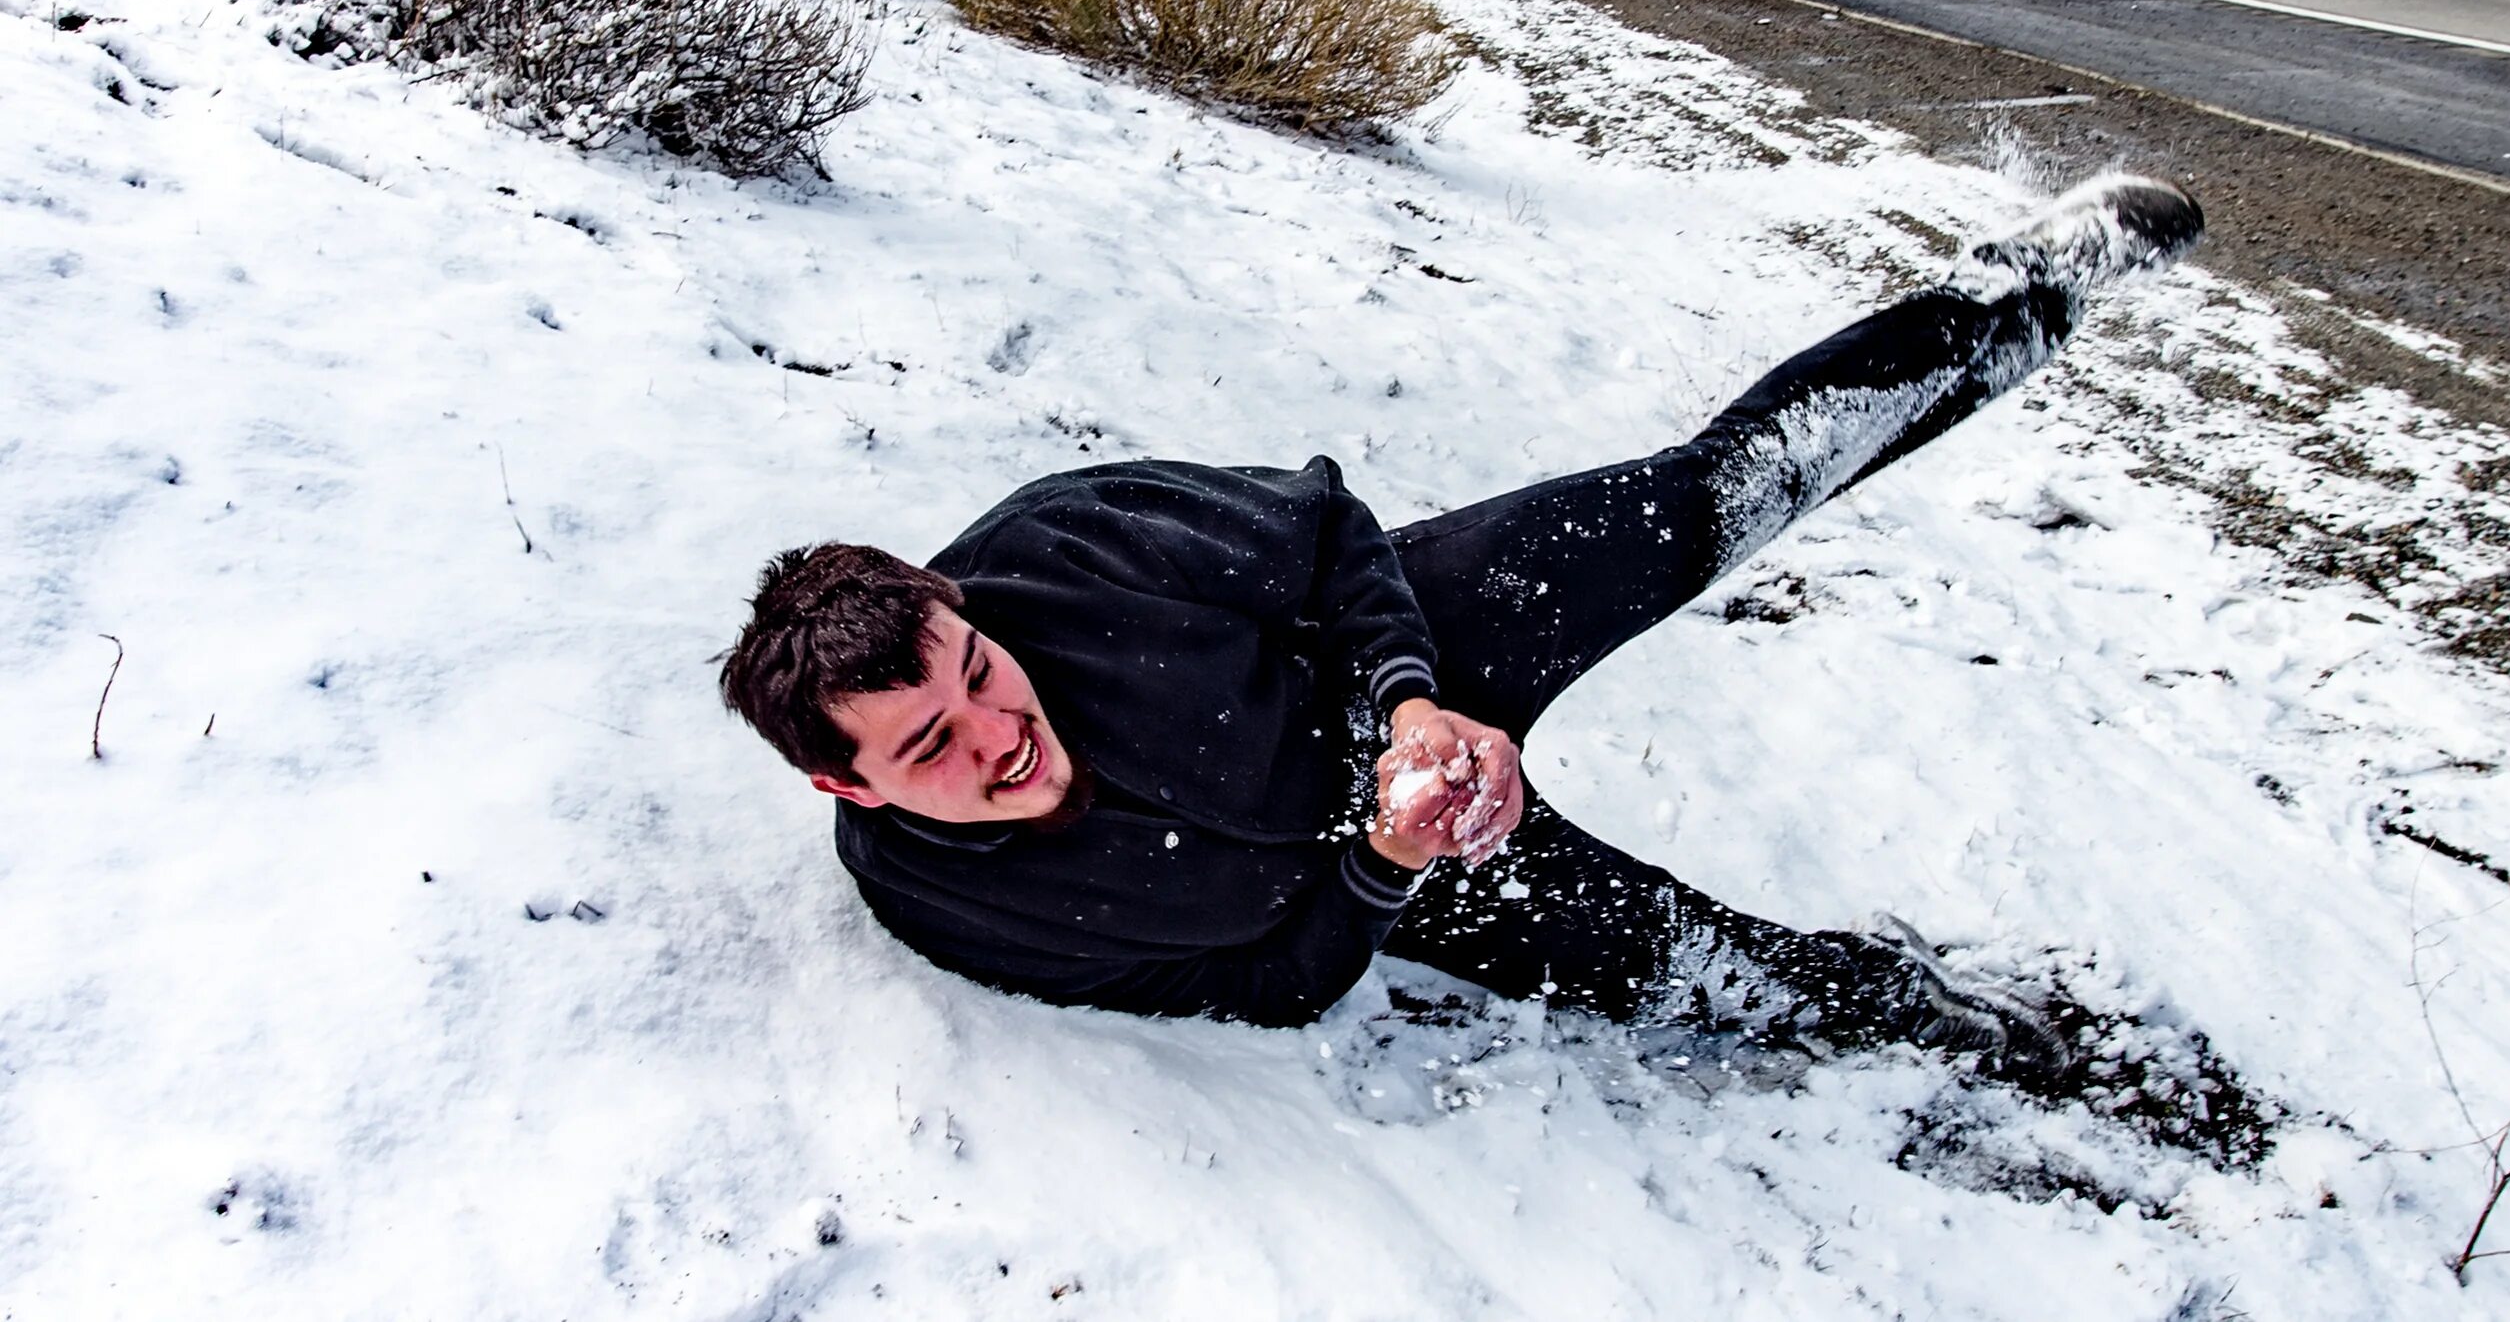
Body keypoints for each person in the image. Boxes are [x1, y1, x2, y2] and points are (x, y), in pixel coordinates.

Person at [720, 174, 2203, 1057]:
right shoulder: (944, 902)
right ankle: (1995, 1029)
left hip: (1404, 642)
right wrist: (1384, 859)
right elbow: (1259, 989)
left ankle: (2024, 298)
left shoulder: (1058, 541)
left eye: (980, 670)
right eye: (929, 743)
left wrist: (1409, 708)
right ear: (842, 782)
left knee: (1724, 492)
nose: (1003, 729)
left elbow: (1323, 532)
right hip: (1421, 871)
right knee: (1723, 979)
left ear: (958, 603)